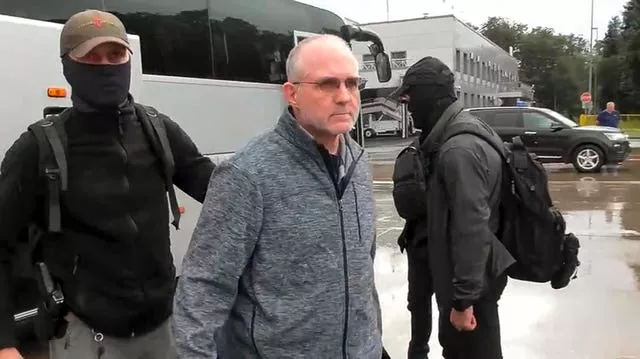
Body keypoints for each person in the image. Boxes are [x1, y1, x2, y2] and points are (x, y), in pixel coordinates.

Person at [0, 9, 214, 359]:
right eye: (92, 57)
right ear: (68, 65)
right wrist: (4, 342)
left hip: (165, 330)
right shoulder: (38, 148)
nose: (106, 66)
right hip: (86, 335)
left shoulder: (157, 129)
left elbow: (223, 191)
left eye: (115, 55)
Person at [172, 34, 383, 358]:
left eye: (352, 83)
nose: (345, 97)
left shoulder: (357, 162)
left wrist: (372, 341)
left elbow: (362, 274)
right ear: (292, 93)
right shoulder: (247, 175)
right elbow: (203, 287)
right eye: (328, 84)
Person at [389, 56, 515, 359]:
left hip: (473, 282)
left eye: (410, 98)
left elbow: (471, 227)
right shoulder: (463, 131)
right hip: (475, 274)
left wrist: (462, 302)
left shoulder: (458, 150)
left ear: (429, 97)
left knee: (470, 352)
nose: (408, 107)